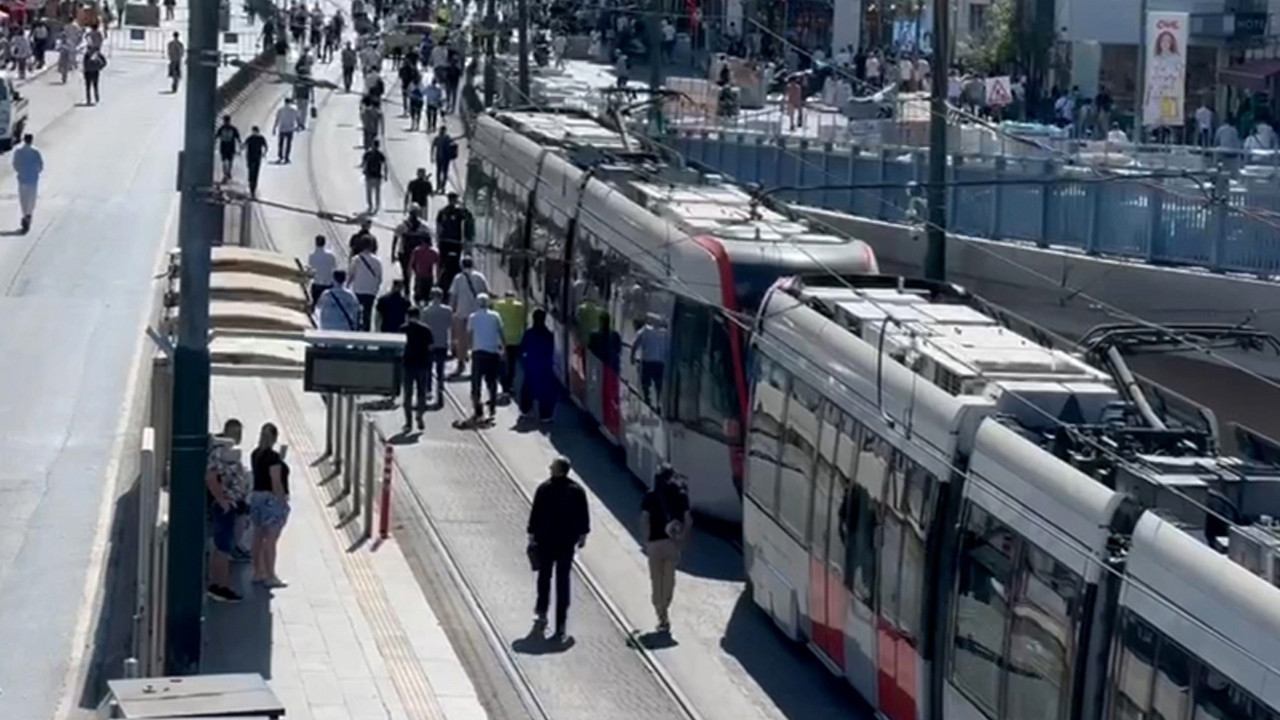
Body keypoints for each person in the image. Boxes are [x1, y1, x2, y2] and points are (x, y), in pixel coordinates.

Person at [526, 457, 589, 641]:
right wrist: (583, 535)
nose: (549, 468)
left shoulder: (544, 488)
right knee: (563, 581)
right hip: (565, 543)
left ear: (559, 470)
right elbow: (583, 515)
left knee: (544, 577)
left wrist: (531, 534)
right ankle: (560, 624)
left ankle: (542, 611)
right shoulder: (577, 490)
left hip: (546, 541)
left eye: (552, 467)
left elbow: (535, 513)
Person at [640, 464, 691, 632]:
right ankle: (665, 609)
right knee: (669, 580)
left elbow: (645, 519)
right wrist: (682, 539)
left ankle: (661, 615)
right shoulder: (681, 495)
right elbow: (688, 520)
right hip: (672, 544)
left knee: (657, 580)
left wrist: (646, 541)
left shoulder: (650, 495)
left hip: (654, 543)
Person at [206, 419, 251, 602]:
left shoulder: (231, 453)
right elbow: (211, 478)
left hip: (232, 505)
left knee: (224, 547)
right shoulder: (219, 453)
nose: (237, 436)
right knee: (223, 548)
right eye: (234, 432)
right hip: (225, 507)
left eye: (240, 433)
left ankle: (219, 584)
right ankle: (221, 586)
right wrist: (223, 501)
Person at [249, 422, 290, 589]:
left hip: (256, 497)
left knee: (258, 536)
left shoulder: (256, 454)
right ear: (274, 438)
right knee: (271, 539)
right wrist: (282, 502)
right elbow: (276, 481)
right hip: (270, 499)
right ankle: (270, 574)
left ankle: (258, 572)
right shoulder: (273, 457)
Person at [448, 255, 488, 375]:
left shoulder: (458, 278)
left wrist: (452, 310)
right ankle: (476, 365)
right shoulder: (480, 277)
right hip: (477, 313)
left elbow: (453, 295)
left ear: (462, 265)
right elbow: (485, 293)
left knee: (462, 339)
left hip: (462, 313)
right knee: (476, 340)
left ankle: (461, 364)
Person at [467, 293, 504, 419]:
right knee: (492, 382)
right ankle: (492, 408)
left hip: (478, 353)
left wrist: (468, 350)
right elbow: (501, 332)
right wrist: (503, 349)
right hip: (493, 353)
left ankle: (478, 409)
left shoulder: (473, 317)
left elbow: (469, 334)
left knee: (476, 383)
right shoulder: (495, 316)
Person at [519, 308, 556, 422]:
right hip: (545, 366)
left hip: (531, 365)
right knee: (546, 391)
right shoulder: (548, 335)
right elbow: (552, 349)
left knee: (527, 388)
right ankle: (545, 415)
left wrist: (524, 361)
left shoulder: (529, 333)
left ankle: (526, 410)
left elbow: (522, 348)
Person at [401, 306, 434, 430]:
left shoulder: (403, 329)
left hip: (408, 364)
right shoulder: (426, 330)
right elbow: (430, 347)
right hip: (423, 364)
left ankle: (408, 422)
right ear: (419, 316)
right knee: (421, 394)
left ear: (408, 316)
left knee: (407, 395)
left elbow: (400, 347)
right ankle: (419, 415)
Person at [435, 192, 473, 289]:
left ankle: (449, 280)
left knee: (452, 262)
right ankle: (439, 280)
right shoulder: (443, 212)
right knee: (443, 262)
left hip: (455, 241)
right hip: (447, 241)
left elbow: (469, 217)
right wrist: (438, 239)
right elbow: (438, 226)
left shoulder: (458, 212)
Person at [492, 292, 525, 398]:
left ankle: (503, 383)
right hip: (515, 339)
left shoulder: (498, 305)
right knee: (512, 363)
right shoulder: (520, 306)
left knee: (501, 363)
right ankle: (510, 384)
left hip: (501, 339)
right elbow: (524, 321)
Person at [631, 313, 668, 406]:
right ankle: (658, 402)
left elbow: (635, 345)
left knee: (645, 382)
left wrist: (632, 356)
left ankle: (647, 400)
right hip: (660, 362)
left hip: (647, 361)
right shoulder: (664, 333)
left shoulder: (644, 331)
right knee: (658, 384)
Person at [12, 134, 42, 235]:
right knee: (31, 199)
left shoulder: (18, 151)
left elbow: (15, 164)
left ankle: (25, 215)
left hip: (22, 179)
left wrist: (20, 172)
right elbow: (40, 165)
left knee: (23, 199)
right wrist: (36, 172)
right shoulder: (35, 151)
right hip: (32, 180)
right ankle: (28, 215)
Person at [349, 242, 383, 331]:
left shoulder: (356, 259)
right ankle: (366, 329)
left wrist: (347, 285)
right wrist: (376, 288)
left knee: (356, 311)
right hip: (370, 290)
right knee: (368, 311)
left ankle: (356, 328)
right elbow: (379, 277)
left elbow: (351, 274)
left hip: (358, 289)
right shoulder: (377, 260)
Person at [393, 206, 431, 283]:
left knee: (415, 272)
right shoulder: (403, 225)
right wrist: (393, 253)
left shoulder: (423, 226)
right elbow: (395, 239)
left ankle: (414, 289)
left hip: (417, 253)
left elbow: (429, 239)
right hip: (405, 252)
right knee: (407, 272)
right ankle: (408, 289)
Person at [306, 234, 337, 308]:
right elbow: (334, 267)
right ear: (324, 243)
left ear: (315, 243)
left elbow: (311, 269)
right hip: (328, 284)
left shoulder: (312, 255)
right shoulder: (331, 255)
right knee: (326, 305)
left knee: (315, 303)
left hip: (316, 284)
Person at [361, 139, 388, 213]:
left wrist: (363, 169)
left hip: (372, 176)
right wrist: (385, 174)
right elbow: (385, 165)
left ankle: (372, 205)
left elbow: (363, 163)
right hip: (374, 176)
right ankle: (374, 205)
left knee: (371, 192)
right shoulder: (379, 154)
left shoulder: (368, 154)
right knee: (375, 192)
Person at [273, 97, 301, 162]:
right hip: (290, 128)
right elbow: (298, 118)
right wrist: (299, 125)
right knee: (288, 144)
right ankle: (287, 157)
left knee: (281, 144)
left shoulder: (280, 110)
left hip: (282, 128)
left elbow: (277, 119)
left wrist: (274, 128)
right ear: (290, 102)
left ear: (284, 102)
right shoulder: (294, 109)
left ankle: (280, 156)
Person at [243, 126, 268, 196]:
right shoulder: (260, 138)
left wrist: (264, 153)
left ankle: (252, 187)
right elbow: (266, 146)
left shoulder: (251, 138)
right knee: (255, 173)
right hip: (256, 158)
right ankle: (252, 187)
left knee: (252, 173)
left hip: (251, 158)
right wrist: (264, 153)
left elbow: (244, 145)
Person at [215, 115, 241, 183]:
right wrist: (240, 145)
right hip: (230, 147)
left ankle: (226, 173)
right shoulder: (233, 128)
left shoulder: (222, 128)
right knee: (228, 161)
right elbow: (238, 138)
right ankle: (227, 173)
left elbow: (216, 136)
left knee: (225, 161)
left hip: (224, 146)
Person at [431, 126, 457, 190]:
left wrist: (432, 156)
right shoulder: (442, 138)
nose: (442, 132)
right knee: (440, 173)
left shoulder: (444, 138)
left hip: (444, 158)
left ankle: (441, 186)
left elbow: (453, 145)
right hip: (441, 158)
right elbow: (433, 147)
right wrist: (432, 156)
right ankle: (440, 186)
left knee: (442, 173)